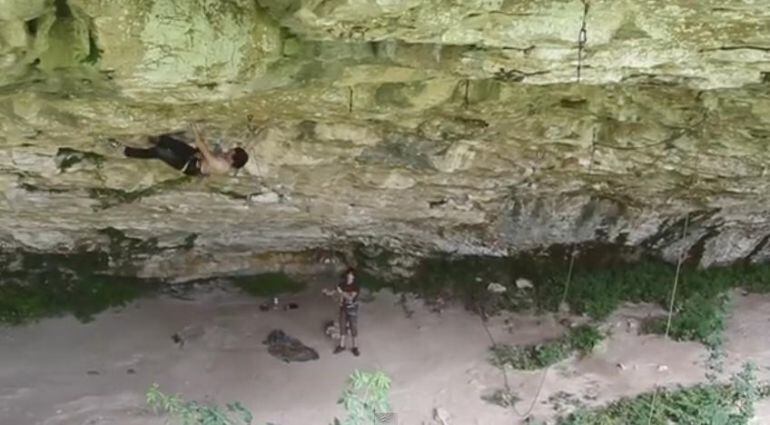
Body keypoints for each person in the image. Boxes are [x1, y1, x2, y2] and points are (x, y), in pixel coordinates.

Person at [123, 124, 248, 176]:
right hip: (195, 156)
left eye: (231, 152)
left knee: (160, 152)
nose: (228, 151)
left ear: (232, 158)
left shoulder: (222, 165)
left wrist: (196, 131)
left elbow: (203, 149)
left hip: (189, 166)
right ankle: (149, 138)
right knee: (167, 141)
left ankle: (127, 151)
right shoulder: (225, 157)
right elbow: (205, 149)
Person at [335, 267, 360, 356]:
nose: (349, 276)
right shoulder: (342, 284)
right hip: (343, 308)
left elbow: (350, 297)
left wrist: (341, 292)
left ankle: (355, 347)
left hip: (352, 309)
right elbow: (338, 295)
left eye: (351, 275)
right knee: (342, 326)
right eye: (348, 274)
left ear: (354, 277)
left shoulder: (355, 286)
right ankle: (341, 346)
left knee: (353, 327)